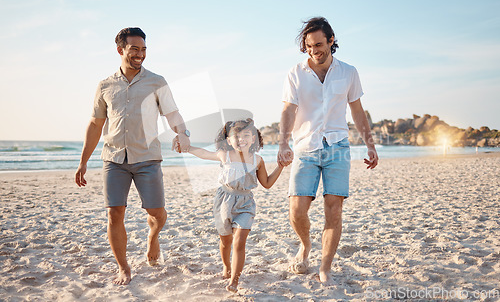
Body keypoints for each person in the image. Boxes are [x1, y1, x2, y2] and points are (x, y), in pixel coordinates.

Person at [74, 27, 191, 285]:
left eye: (144, 49)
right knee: (114, 213)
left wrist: (183, 133)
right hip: (114, 159)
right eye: (135, 49)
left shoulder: (157, 82)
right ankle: (123, 267)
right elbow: (95, 125)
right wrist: (83, 161)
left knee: (157, 212)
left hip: (147, 158)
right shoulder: (105, 85)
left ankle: (153, 235)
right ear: (120, 50)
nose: (140, 54)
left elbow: (173, 114)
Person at [277, 17, 378, 285]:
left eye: (319, 44)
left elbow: (357, 110)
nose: (314, 51)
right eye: (309, 46)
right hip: (305, 147)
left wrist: (369, 143)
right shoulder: (295, 73)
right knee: (297, 211)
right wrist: (283, 142)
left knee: (334, 211)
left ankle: (325, 266)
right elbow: (288, 110)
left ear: (331, 41)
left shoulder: (348, 72)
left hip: (338, 147)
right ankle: (306, 245)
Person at [174, 118, 283, 292]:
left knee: (239, 242)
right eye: (236, 136)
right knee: (225, 241)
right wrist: (187, 148)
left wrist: (281, 166)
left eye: (246, 135)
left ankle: (234, 280)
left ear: (254, 138)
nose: (241, 139)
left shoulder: (258, 160)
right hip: (224, 201)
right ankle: (226, 265)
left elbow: (267, 183)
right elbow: (203, 153)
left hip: (246, 203)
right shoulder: (224, 155)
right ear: (229, 140)